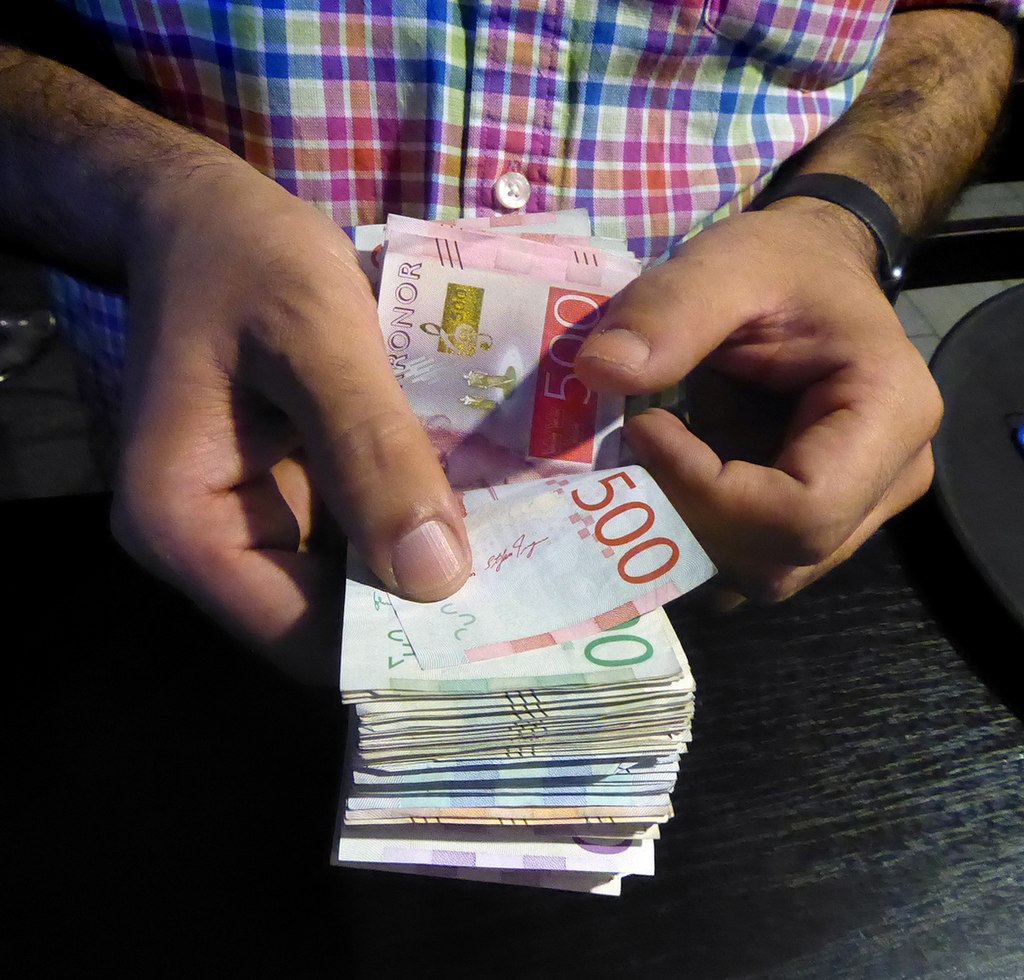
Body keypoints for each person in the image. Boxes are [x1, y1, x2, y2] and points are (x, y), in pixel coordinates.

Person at [0, 1, 1018, 681]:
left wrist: (844, 220)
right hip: (204, 467)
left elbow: (969, 13)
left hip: (707, 502)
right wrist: (148, 199)